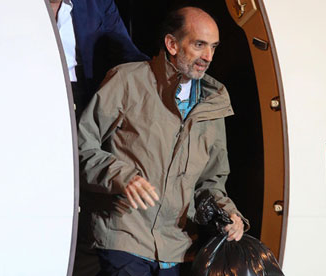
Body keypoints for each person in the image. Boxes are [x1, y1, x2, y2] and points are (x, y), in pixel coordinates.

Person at [77, 6, 248, 276]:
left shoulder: (214, 104)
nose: (208, 56)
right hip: (123, 237)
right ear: (171, 43)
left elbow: (211, 183)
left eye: (213, 47)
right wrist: (122, 176)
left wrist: (230, 215)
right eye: (199, 45)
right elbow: (81, 149)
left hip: (177, 249)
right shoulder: (127, 81)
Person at [49, 0, 148, 117]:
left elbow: (128, 52)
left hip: (83, 96)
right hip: (37, 88)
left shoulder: (99, 4)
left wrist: (157, 71)